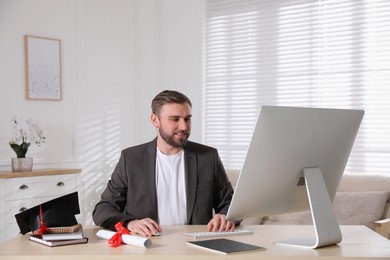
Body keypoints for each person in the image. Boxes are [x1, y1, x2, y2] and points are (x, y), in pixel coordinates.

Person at [92, 90, 236, 237]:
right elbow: (103, 209)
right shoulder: (131, 159)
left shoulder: (208, 157)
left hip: (197, 246)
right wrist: (131, 223)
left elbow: (230, 204)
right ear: (155, 120)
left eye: (187, 119)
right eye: (175, 119)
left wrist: (224, 216)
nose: (184, 127)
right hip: (149, 247)